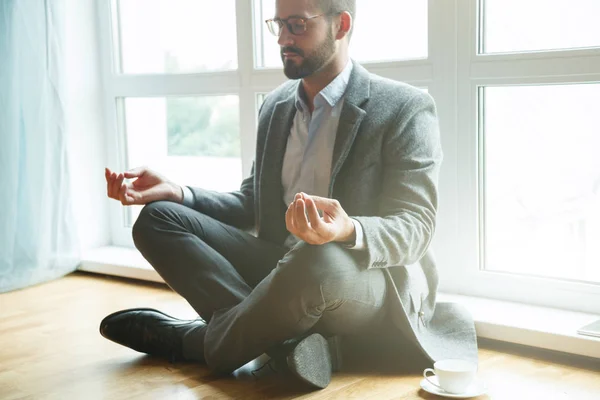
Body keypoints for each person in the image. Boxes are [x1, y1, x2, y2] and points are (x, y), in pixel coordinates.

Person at [100, 0, 478, 390]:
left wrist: (347, 229)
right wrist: (179, 192)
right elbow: (251, 204)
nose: (283, 39)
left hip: (361, 279)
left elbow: (415, 226)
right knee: (157, 219)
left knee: (318, 260)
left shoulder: (403, 107)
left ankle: (191, 340)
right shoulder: (276, 106)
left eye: (297, 25)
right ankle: (288, 343)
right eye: (278, 24)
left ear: (341, 25)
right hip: (281, 268)